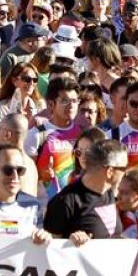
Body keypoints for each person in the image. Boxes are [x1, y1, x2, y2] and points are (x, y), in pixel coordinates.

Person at [43, 139, 127, 244]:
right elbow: (49, 247)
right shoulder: (65, 201)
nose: (126, 173)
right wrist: (70, 241)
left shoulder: (108, 192)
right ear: (110, 172)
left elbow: (113, 235)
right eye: (124, 168)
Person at [24, 77, 82, 205]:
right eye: (65, 101)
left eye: (74, 101)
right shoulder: (36, 134)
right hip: (45, 206)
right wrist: (41, 174)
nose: (71, 106)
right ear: (51, 104)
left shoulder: (82, 134)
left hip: (76, 204)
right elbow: (24, 176)